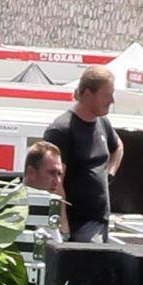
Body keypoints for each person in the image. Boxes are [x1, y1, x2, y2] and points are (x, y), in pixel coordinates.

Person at [33, 63, 122, 248]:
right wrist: (63, 229)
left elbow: (118, 147)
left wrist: (110, 174)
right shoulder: (62, 130)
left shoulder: (102, 122)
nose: (112, 100)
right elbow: (55, 183)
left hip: (101, 220)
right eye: (107, 95)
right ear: (88, 94)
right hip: (78, 225)